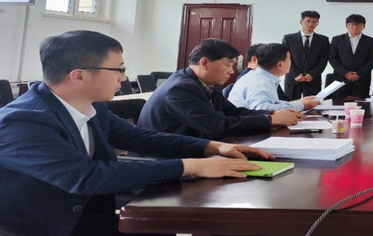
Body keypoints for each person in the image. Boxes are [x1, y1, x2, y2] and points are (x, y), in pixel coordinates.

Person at [0, 30, 271, 236]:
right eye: (118, 70)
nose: (123, 78)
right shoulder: (22, 121)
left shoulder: (93, 106)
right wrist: (191, 166)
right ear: (79, 76)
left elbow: (140, 138)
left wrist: (212, 147)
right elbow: (86, 177)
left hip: (92, 212)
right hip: (44, 226)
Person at [139, 38, 301, 139]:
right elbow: (216, 126)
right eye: (228, 65)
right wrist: (270, 120)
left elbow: (234, 112)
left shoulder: (207, 83)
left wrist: (272, 114)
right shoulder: (180, 89)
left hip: (194, 148)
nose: (231, 71)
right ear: (204, 63)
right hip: (165, 158)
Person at [229, 43, 320, 112]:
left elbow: (272, 104)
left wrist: (300, 102)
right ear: (279, 65)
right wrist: (301, 105)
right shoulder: (259, 82)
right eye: (289, 59)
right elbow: (263, 110)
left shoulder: (262, 77)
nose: (291, 62)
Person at [327, 14, 373, 100]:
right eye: (352, 24)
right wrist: (345, 73)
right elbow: (333, 58)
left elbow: (371, 60)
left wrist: (359, 74)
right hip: (341, 79)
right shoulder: (337, 39)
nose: (355, 27)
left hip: (361, 80)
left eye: (358, 25)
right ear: (347, 26)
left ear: (364, 26)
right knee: (339, 105)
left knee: (362, 105)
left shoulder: (371, 41)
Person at [281, 10, 330, 100]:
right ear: (301, 22)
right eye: (308, 21)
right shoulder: (289, 38)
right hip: (293, 78)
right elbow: (285, 58)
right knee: (290, 104)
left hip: (312, 79)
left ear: (317, 23)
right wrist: (296, 74)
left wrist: (312, 74)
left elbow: (323, 60)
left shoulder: (323, 40)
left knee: (313, 105)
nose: (310, 24)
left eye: (314, 22)